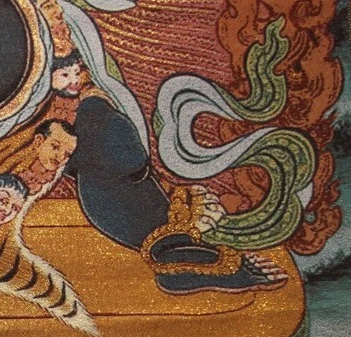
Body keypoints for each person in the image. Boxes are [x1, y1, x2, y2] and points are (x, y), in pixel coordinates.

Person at [50, 52, 287, 294]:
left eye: (78, 72)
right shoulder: (88, 113)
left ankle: (199, 262)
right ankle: (215, 268)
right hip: (121, 200)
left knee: (167, 234)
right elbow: (129, 158)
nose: (75, 80)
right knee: (163, 241)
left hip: (120, 195)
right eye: (66, 74)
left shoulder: (92, 107)